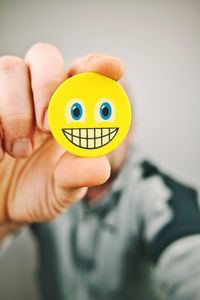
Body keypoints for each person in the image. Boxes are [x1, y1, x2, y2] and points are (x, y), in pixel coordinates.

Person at [0, 43, 200, 300]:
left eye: (107, 112)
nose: (91, 126)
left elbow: (190, 261)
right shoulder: (37, 177)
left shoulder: (161, 195)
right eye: (77, 111)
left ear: (131, 125)